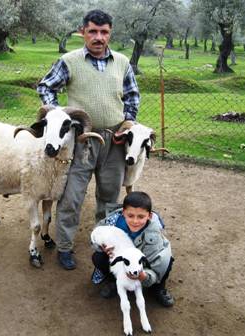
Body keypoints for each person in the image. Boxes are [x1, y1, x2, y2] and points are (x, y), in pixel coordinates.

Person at [37, 9, 140, 270]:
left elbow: (132, 96)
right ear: (83, 32)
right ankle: (64, 247)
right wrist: (59, 115)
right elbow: (45, 86)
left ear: (110, 33)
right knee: (72, 196)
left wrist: (127, 123)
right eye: (92, 31)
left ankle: (105, 246)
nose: (98, 37)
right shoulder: (69, 61)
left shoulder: (122, 62)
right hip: (81, 141)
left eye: (104, 32)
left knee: (109, 197)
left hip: (114, 141)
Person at [90, 191, 175, 307]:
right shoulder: (113, 221)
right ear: (123, 213)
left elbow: (156, 265)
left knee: (167, 261)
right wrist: (102, 247)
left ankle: (157, 288)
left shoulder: (154, 236)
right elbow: (96, 234)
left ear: (149, 216)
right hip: (124, 261)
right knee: (99, 257)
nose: (135, 221)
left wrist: (144, 276)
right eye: (130, 216)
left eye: (141, 217)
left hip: (145, 264)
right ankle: (115, 281)